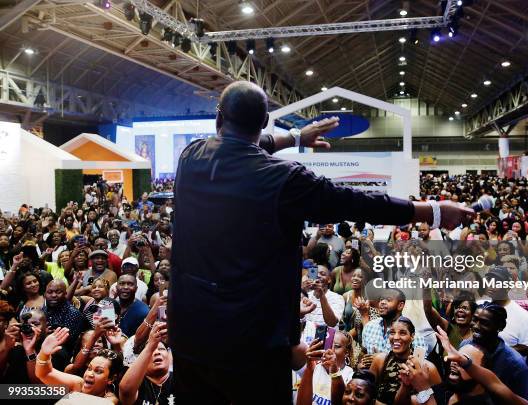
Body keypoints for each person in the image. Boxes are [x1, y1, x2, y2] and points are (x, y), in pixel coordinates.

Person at [170, 81, 472, 403]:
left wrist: (296, 138)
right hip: (253, 345)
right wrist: (433, 211)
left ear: (219, 118)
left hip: (191, 337)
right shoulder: (283, 178)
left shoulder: (190, 157)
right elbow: (356, 202)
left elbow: (244, 146)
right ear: (262, 123)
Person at [459, 302, 528, 399]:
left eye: (484, 323)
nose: (476, 326)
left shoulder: (515, 364)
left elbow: (521, 400)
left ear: (500, 326)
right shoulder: (465, 345)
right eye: (474, 320)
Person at [35, 327, 121, 404]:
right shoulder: (79, 384)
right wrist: (43, 354)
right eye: (89, 368)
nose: (89, 374)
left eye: (98, 371)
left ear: (111, 379)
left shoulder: (109, 401)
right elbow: (44, 373)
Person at [369, 317, 441, 404]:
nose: (395, 337)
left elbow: (438, 401)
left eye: (402, 333)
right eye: (392, 333)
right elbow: (367, 393)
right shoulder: (380, 361)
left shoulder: (427, 367)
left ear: (412, 336)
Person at [481, 267, 528, 358]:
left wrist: (499, 350)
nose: (490, 285)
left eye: (496, 282)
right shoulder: (481, 306)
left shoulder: (521, 315)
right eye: (489, 281)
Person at [119, 322, 174, 405]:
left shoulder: (180, 378)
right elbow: (126, 392)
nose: (157, 352)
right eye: (152, 351)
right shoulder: (138, 383)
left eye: (161, 349)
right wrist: (150, 347)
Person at [297, 331, 354, 405]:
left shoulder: (350, 376)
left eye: (336, 346)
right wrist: (309, 368)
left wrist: (334, 370)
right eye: (328, 345)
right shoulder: (314, 367)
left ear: (347, 352)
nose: (331, 350)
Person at [44, 280, 86, 353]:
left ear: (65, 293)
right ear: (45, 294)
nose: (53, 295)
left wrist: (44, 335)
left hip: (64, 353)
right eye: (50, 292)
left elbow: (67, 342)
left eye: (58, 292)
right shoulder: (43, 310)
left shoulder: (73, 313)